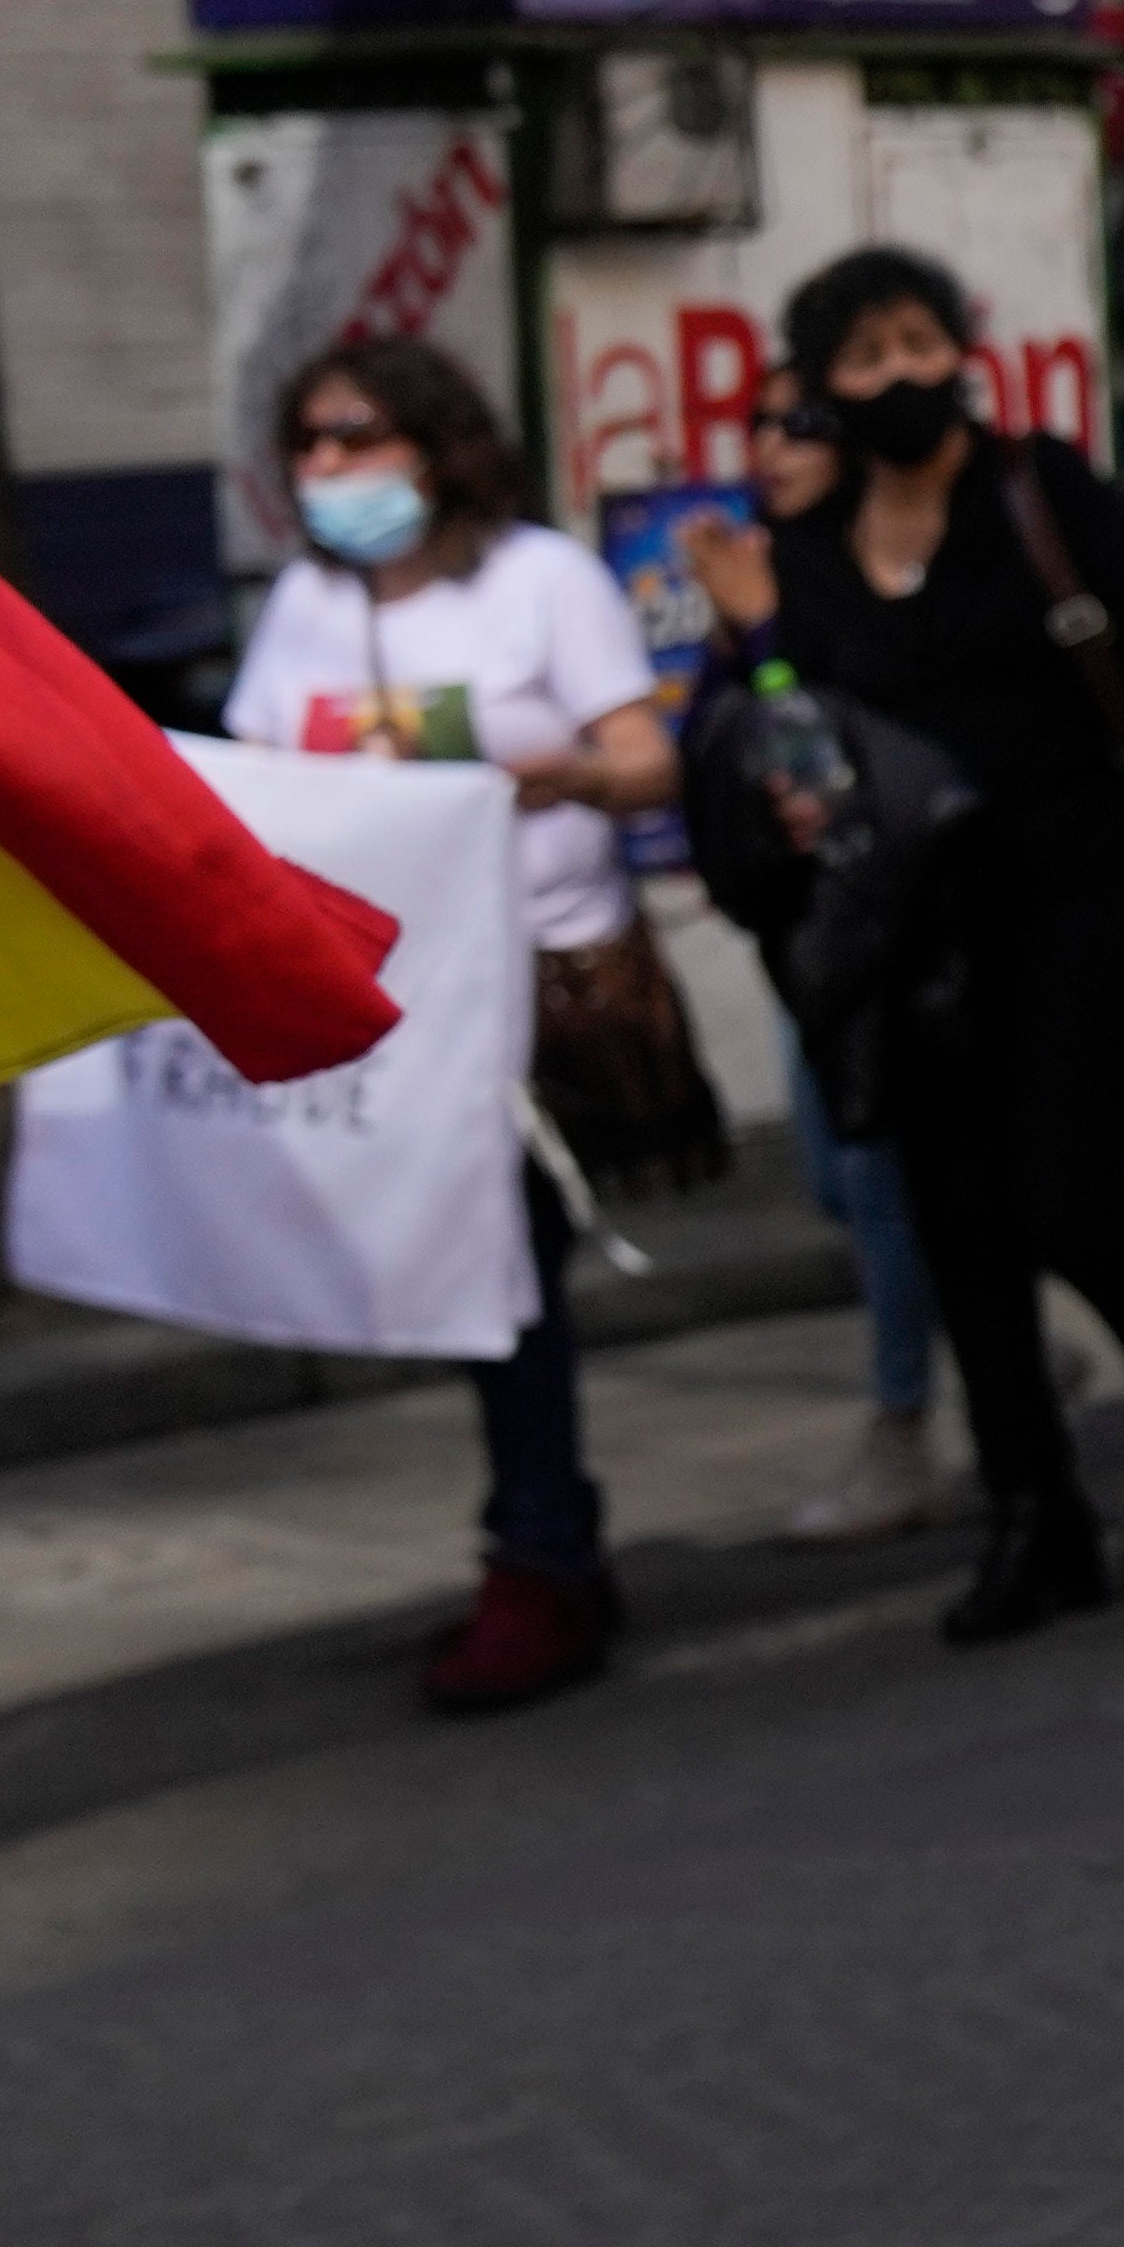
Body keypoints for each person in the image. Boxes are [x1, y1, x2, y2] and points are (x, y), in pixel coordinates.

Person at [702, 247, 1124, 1642]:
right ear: (821, 387)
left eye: (923, 342)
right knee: (959, 1224)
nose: (904, 374)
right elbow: (799, 725)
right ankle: (1035, 1513)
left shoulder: (1037, 490)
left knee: (1067, 1191)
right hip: (915, 925)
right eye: (867, 355)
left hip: (1088, 890)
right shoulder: (805, 553)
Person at [225, 328, 692, 1711]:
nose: (330, 468)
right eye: (310, 443)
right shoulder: (308, 599)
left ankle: (540, 1553)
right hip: (389, 998)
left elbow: (644, 757)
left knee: (504, 1277)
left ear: (436, 444)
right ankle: (549, 1543)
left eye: (358, 436)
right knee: (473, 1278)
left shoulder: (540, 582)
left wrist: (548, 775)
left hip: (531, 984)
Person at [683, 386, 954, 1541]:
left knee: (880, 1178)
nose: (771, 450)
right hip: (801, 932)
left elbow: (820, 766)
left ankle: (902, 1429)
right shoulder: (763, 568)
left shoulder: (841, 586)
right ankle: (984, 1327)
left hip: (882, 931)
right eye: (759, 427)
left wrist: (763, 631)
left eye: (801, 429)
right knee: (847, 1182)